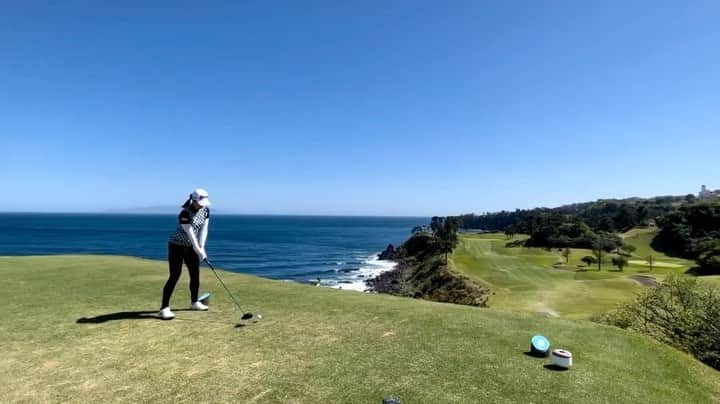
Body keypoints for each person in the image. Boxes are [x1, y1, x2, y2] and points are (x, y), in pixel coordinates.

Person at [159, 188, 212, 320]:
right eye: (200, 202)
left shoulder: (205, 210)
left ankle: (194, 302)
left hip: (190, 247)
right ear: (194, 200)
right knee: (175, 275)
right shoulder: (184, 213)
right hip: (176, 246)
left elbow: (203, 230)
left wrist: (202, 248)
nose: (203, 205)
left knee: (195, 274)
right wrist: (199, 250)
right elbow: (191, 234)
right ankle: (164, 308)